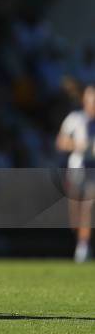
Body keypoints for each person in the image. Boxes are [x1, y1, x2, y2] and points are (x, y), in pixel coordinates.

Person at [56, 85, 95, 263]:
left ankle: (83, 245)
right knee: (75, 213)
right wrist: (78, 146)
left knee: (89, 206)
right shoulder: (75, 118)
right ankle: (79, 241)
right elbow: (61, 142)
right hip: (76, 169)